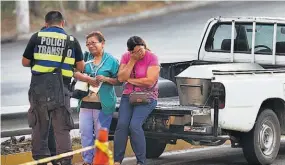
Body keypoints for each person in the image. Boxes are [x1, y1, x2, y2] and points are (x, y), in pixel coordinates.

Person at [22, 11, 84, 165]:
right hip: (61, 89)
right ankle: (65, 161)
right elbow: (80, 66)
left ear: (46, 23)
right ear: (62, 23)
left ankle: (41, 160)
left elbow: (25, 61)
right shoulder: (71, 40)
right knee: (62, 127)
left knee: (39, 125)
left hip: (38, 89)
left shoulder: (37, 37)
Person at [74, 31, 120, 165]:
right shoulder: (84, 57)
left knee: (101, 136)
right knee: (85, 134)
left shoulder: (111, 60)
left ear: (102, 43)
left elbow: (119, 80)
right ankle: (87, 161)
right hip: (85, 103)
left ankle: (100, 162)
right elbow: (74, 72)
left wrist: (105, 79)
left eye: (93, 43)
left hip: (103, 105)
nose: (90, 46)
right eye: (88, 44)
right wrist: (87, 78)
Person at [114, 36, 160, 165]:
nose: (139, 53)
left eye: (140, 50)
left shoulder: (152, 57)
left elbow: (149, 81)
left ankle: (141, 161)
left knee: (134, 125)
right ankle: (117, 160)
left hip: (147, 96)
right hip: (128, 95)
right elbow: (121, 77)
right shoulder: (127, 57)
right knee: (122, 125)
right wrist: (132, 61)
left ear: (143, 46)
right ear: (130, 52)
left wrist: (130, 80)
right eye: (134, 52)